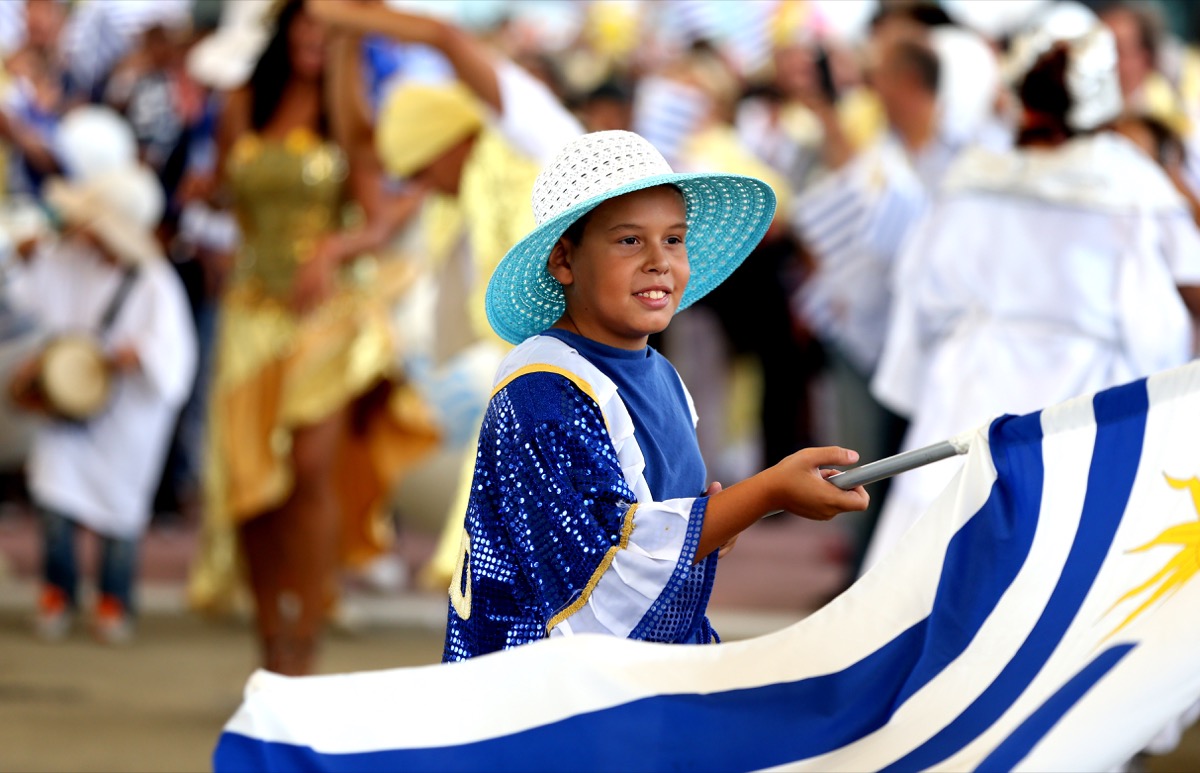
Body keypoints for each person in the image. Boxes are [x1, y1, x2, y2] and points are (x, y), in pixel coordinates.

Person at [443, 130, 869, 661]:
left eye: (674, 239)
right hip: (551, 698)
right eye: (629, 240)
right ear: (564, 261)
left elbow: (658, 525)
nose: (659, 260)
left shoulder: (662, 374)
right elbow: (609, 578)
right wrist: (765, 494)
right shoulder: (542, 391)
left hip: (646, 673)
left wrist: (714, 519)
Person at [863, 19, 1200, 572]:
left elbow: (921, 294)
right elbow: (1169, 308)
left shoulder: (972, 178)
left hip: (969, 390)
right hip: (1087, 394)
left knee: (937, 562)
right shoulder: (1132, 183)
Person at [191, 0, 438, 676]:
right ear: (283, 33)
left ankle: (306, 644)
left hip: (325, 318)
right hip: (249, 311)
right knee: (251, 482)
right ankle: (271, 645)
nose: (313, 40)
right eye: (305, 27)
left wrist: (334, 248)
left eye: (329, 32)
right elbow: (225, 193)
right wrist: (205, 200)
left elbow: (379, 216)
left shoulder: (350, 112)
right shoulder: (245, 101)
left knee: (306, 474)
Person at [308, 0, 584, 592]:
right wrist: (341, 46)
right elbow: (360, 147)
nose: (420, 187)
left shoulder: (537, 139)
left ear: (451, 144)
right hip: (506, 385)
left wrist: (349, 13)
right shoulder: (446, 198)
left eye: (424, 169)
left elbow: (443, 35)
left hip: (570, 380)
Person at [6, 161, 196, 644]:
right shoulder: (68, 259)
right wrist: (23, 258)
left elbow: (174, 358)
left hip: (127, 413)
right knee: (52, 492)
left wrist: (139, 357)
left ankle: (114, 599)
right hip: (68, 410)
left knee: (120, 508)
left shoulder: (155, 282)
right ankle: (57, 591)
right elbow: (28, 301)